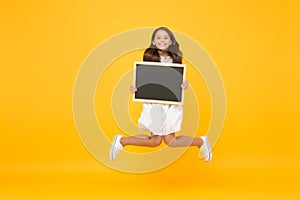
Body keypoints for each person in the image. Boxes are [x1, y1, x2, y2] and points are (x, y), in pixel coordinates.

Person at [109, 27, 212, 162]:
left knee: (170, 140)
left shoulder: (176, 58)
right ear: (153, 41)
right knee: (155, 140)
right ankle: (121, 141)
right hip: (154, 104)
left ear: (170, 41)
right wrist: (135, 87)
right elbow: (145, 77)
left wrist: (184, 84)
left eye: (165, 37)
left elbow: (177, 78)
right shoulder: (149, 56)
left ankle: (201, 142)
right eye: (158, 37)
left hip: (170, 103)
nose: (162, 40)